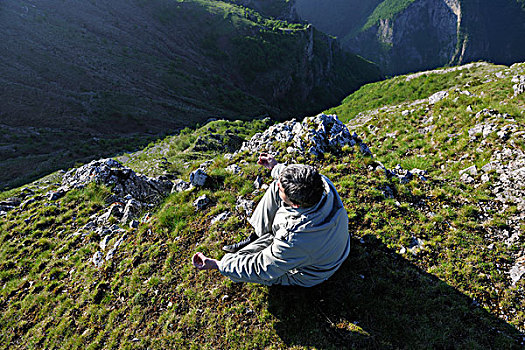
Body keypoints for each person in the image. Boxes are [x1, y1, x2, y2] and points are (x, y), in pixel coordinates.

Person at [191, 153, 350, 287]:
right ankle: (257, 235)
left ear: (295, 204)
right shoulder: (321, 183)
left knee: (238, 259)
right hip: (325, 245)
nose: (278, 184)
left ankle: (255, 244)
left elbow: (261, 268)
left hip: (310, 272)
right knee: (276, 186)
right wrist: (275, 167)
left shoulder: (293, 238)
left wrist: (219, 265)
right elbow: (291, 178)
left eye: (283, 189)